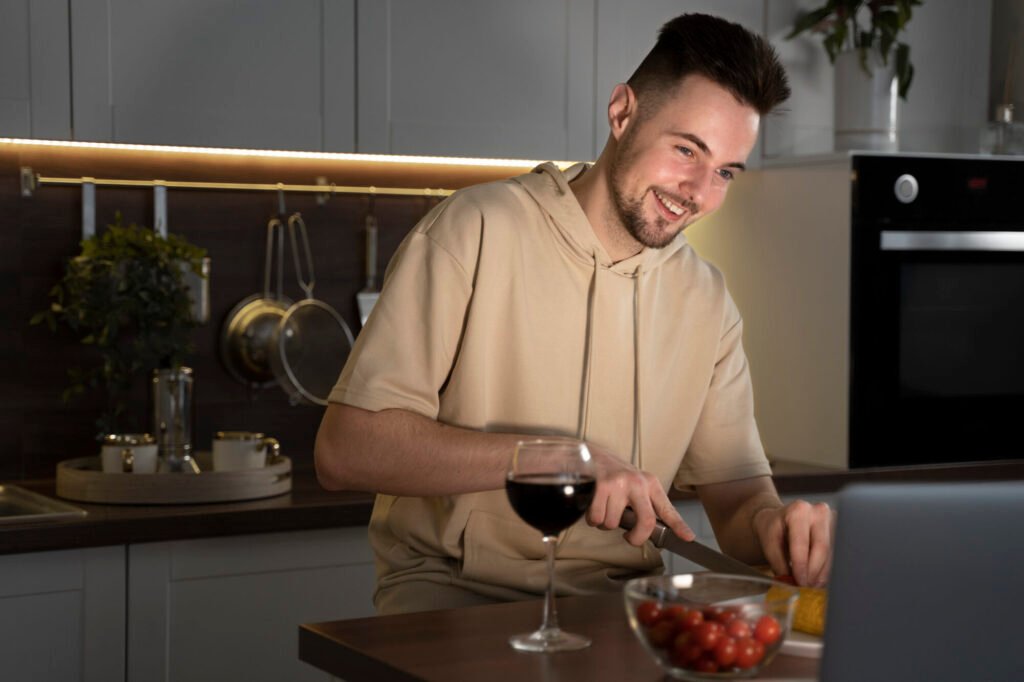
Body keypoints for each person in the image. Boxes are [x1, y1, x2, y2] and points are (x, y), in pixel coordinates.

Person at [315, 12, 834, 615]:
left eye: (724, 172)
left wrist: (777, 528)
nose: (699, 191)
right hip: (452, 599)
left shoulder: (707, 300)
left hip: (626, 613)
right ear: (622, 113)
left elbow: (738, 498)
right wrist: (553, 459)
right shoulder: (475, 229)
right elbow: (345, 450)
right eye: (686, 150)